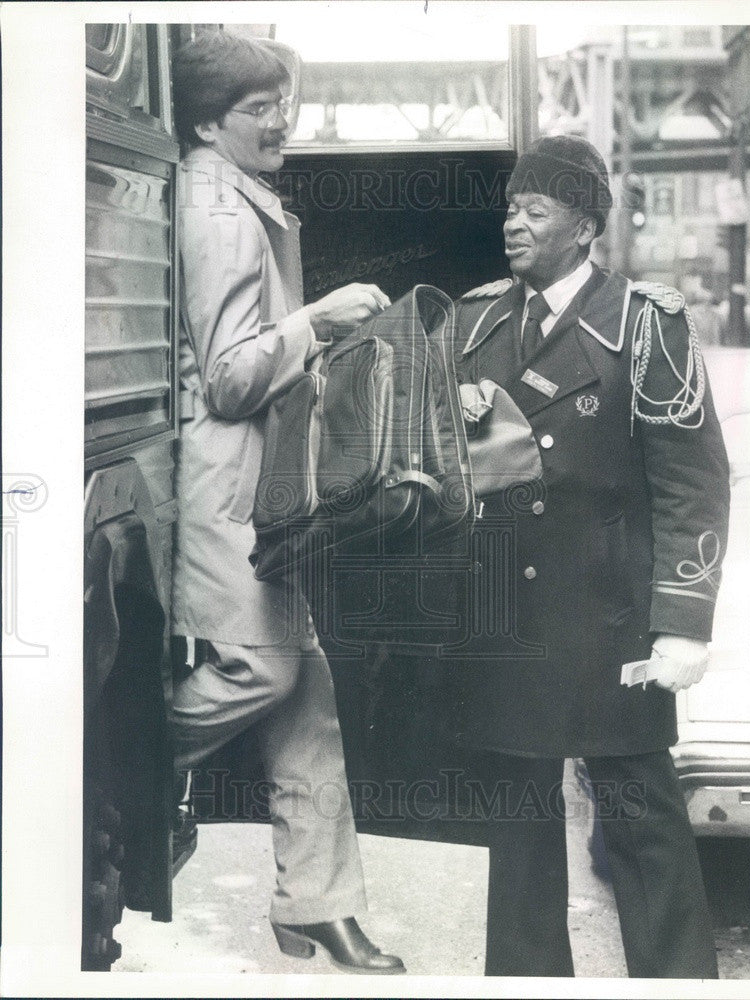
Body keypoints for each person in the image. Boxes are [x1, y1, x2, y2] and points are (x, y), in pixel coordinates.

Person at [453, 134, 730, 978]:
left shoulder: (645, 324)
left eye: (535, 211)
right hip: (511, 619)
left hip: (608, 617)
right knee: (517, 823)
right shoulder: (476, 320)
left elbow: (692, 481)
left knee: (639, 815)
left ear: (584, 225)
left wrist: (681, 623)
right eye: (509, 209)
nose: (513, 225)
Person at [169, 30, 404, 974]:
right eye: (258, 107)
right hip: (227, 482)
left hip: (256, 480)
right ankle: (115, 770)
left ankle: (320, 904)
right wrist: (319, 316)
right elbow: (228, 378)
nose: (281, 120)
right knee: (263, 672)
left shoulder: (232, 189)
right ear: (205, 120)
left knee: (307, 697)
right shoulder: (217, 208)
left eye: (282, 100)